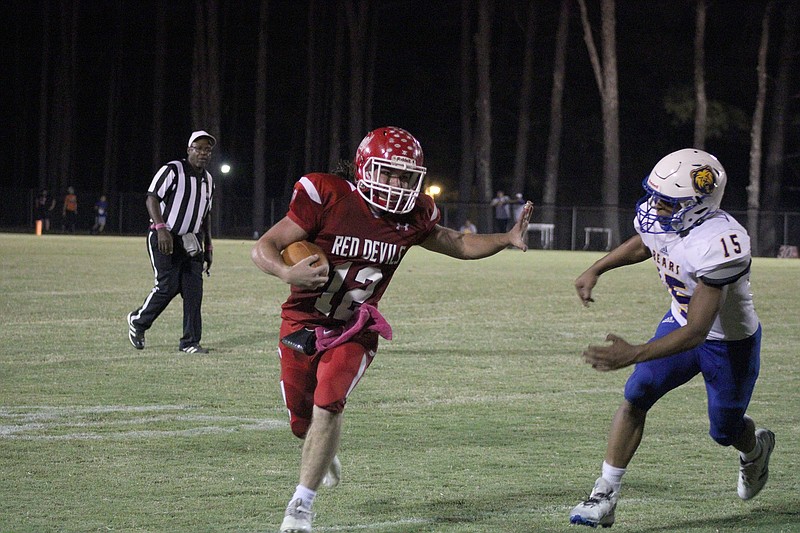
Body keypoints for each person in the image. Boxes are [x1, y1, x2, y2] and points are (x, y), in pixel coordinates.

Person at [250, 126, 533, 533]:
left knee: (329, 402)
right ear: (366, 168)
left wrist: (505, 237)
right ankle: (321, 448)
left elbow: (457, 242)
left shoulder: (414, 216)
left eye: (406, 176)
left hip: (355, 325)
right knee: (301, 421)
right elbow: (264, 246)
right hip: (302, 322)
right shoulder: (327, 194)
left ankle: (300, 507)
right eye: (390, 173)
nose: (399, 184)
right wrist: (284, 270)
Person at [569, 149, 774, 528]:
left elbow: (697, 332)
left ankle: (756, 448)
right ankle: (606, 493)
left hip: (727, 342)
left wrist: (634, 352)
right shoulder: (663, 218)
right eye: (655, 196)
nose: (655, 207)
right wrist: (597, 268)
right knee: (637, 393)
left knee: (724, 430)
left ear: (700, 202)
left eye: (667, 201)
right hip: (679, 320)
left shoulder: (721, 241)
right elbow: (646, 242)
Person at [127, 130, 216, 354]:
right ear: (189, 150)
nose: (203, 153)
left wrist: (209, 245)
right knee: (167, 286)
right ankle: (138, 321)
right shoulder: (173, 169)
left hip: (192, 241)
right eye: (199, 148)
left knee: (194, 291)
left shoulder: (208, 180)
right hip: (165, 237)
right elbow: (152, 197)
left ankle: (190, 342)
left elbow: (205, 215)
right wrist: (160, 228)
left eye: (207, 149)